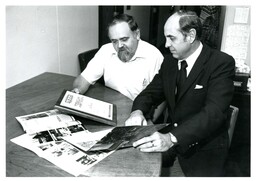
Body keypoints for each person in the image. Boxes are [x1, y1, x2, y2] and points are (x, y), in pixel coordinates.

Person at [125, 10, 235, 176]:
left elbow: (214, 113)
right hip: (172, 145)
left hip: (203, 152)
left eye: (172, 38)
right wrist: (137, 112)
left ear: (191, 36)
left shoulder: (220, 63)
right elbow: (150, 93)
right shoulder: (169, 61)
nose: (167, 44)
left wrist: (170, 138)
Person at [72, 14, 165, 121]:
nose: (119, 45)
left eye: (124, 39)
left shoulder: (154, 56)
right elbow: (84, 78)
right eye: (114, 41)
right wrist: (76, 92)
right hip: (112, 111)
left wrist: (150, 122)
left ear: (137, 34)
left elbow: (164, 97)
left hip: (141, 114)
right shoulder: (106, 50)